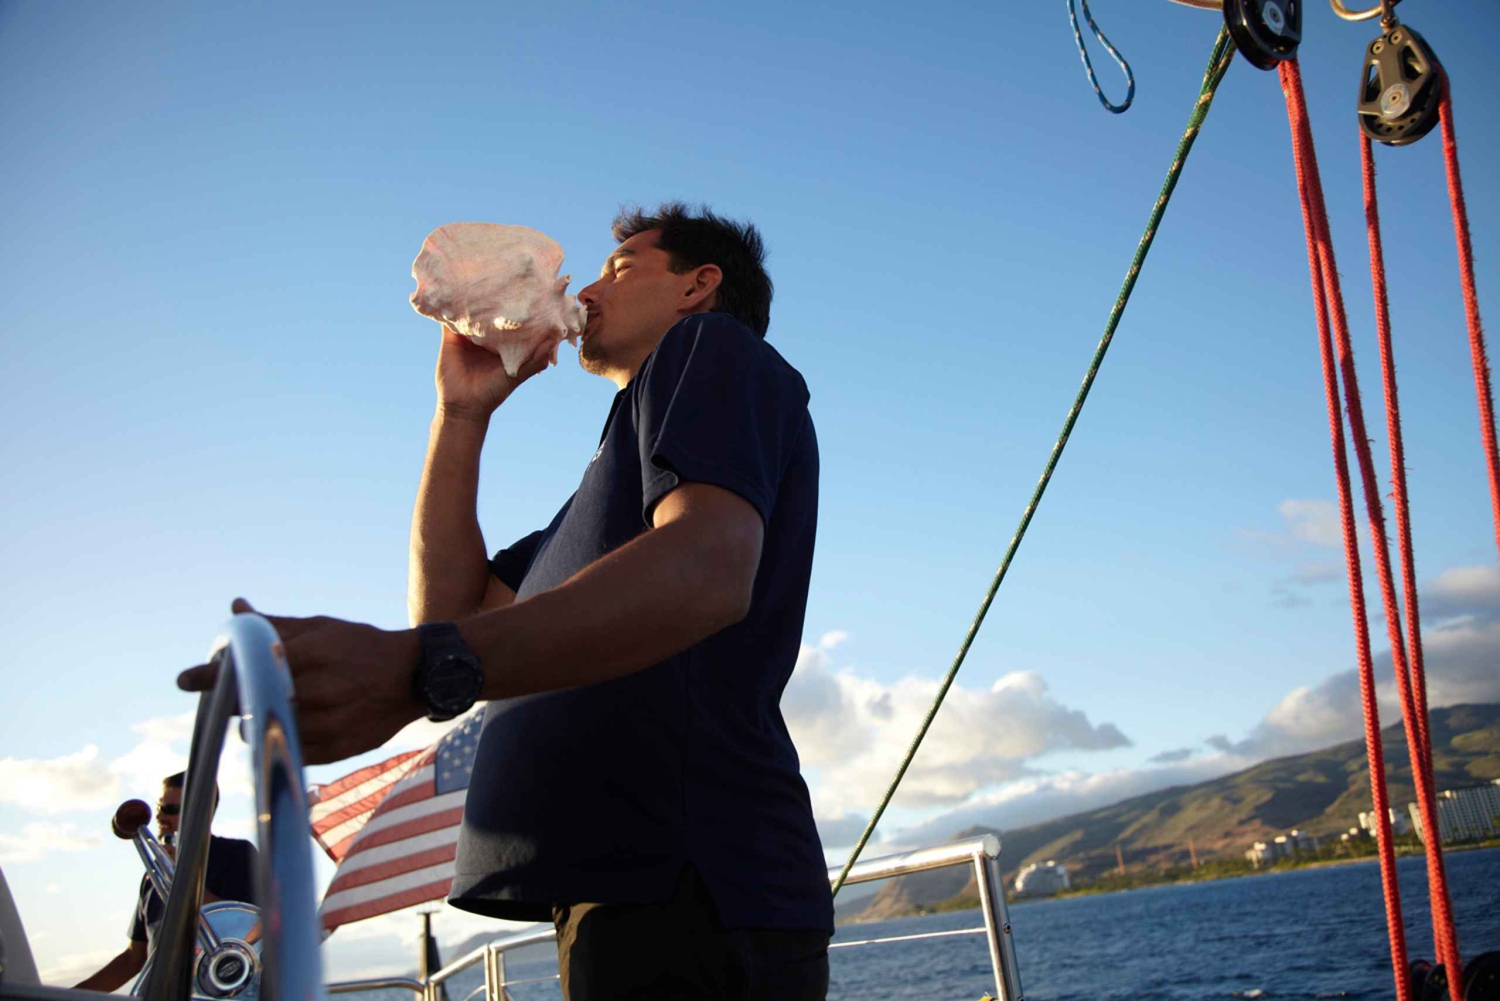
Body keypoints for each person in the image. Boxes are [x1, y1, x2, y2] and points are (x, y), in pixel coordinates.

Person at [180, 202, 833, 999]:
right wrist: (460, 413)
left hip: (693, 880)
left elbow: (708, 566)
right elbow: (452, 615)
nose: (586, 291)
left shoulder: (710, 345)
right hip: (622, 888)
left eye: (619, 269)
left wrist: (423, 667)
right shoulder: (595, 506)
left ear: (698, 286)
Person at [73, 773, 258, 993]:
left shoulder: (236, 855)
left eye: (170, 810)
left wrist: (183, 875)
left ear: (201, 814)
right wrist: (64, 996)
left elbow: (250, 926)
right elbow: (134, 958)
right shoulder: (153, 877)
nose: (160, 817)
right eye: (159, 808)